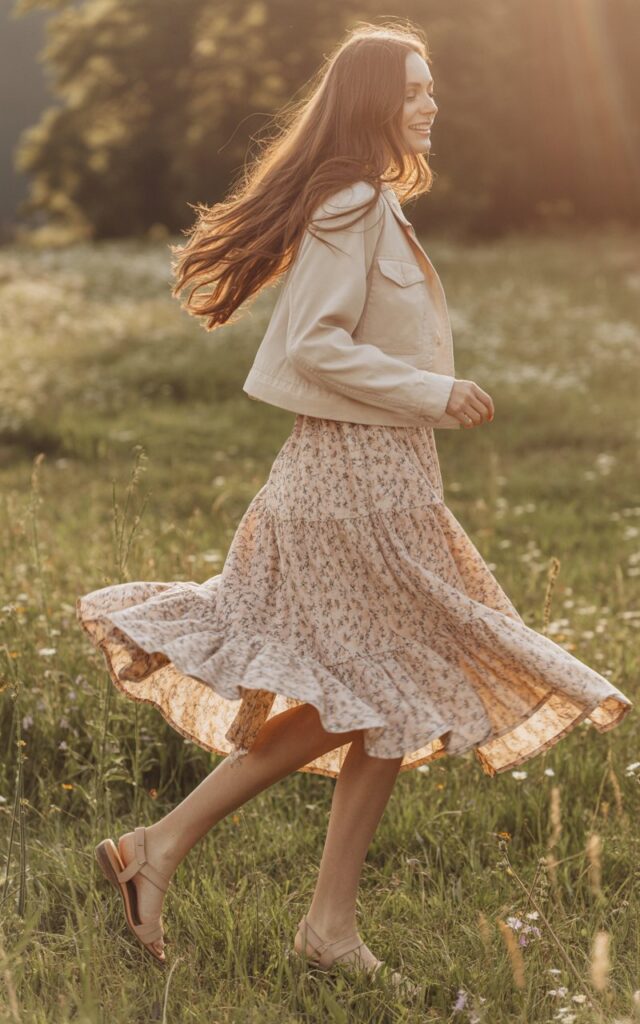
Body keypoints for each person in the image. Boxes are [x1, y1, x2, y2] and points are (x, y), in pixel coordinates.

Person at [77, 21, 632, 991]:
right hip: (348, 494)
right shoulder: (354, 200)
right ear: (375, 101)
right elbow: (313, 346)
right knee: (374, 689)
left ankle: (321, 924)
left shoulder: (368, 200)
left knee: (386, 698)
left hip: (377, 485)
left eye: (429, 89)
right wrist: (433, 392)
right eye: (415, 90)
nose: (430, 104)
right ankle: (160, 846)